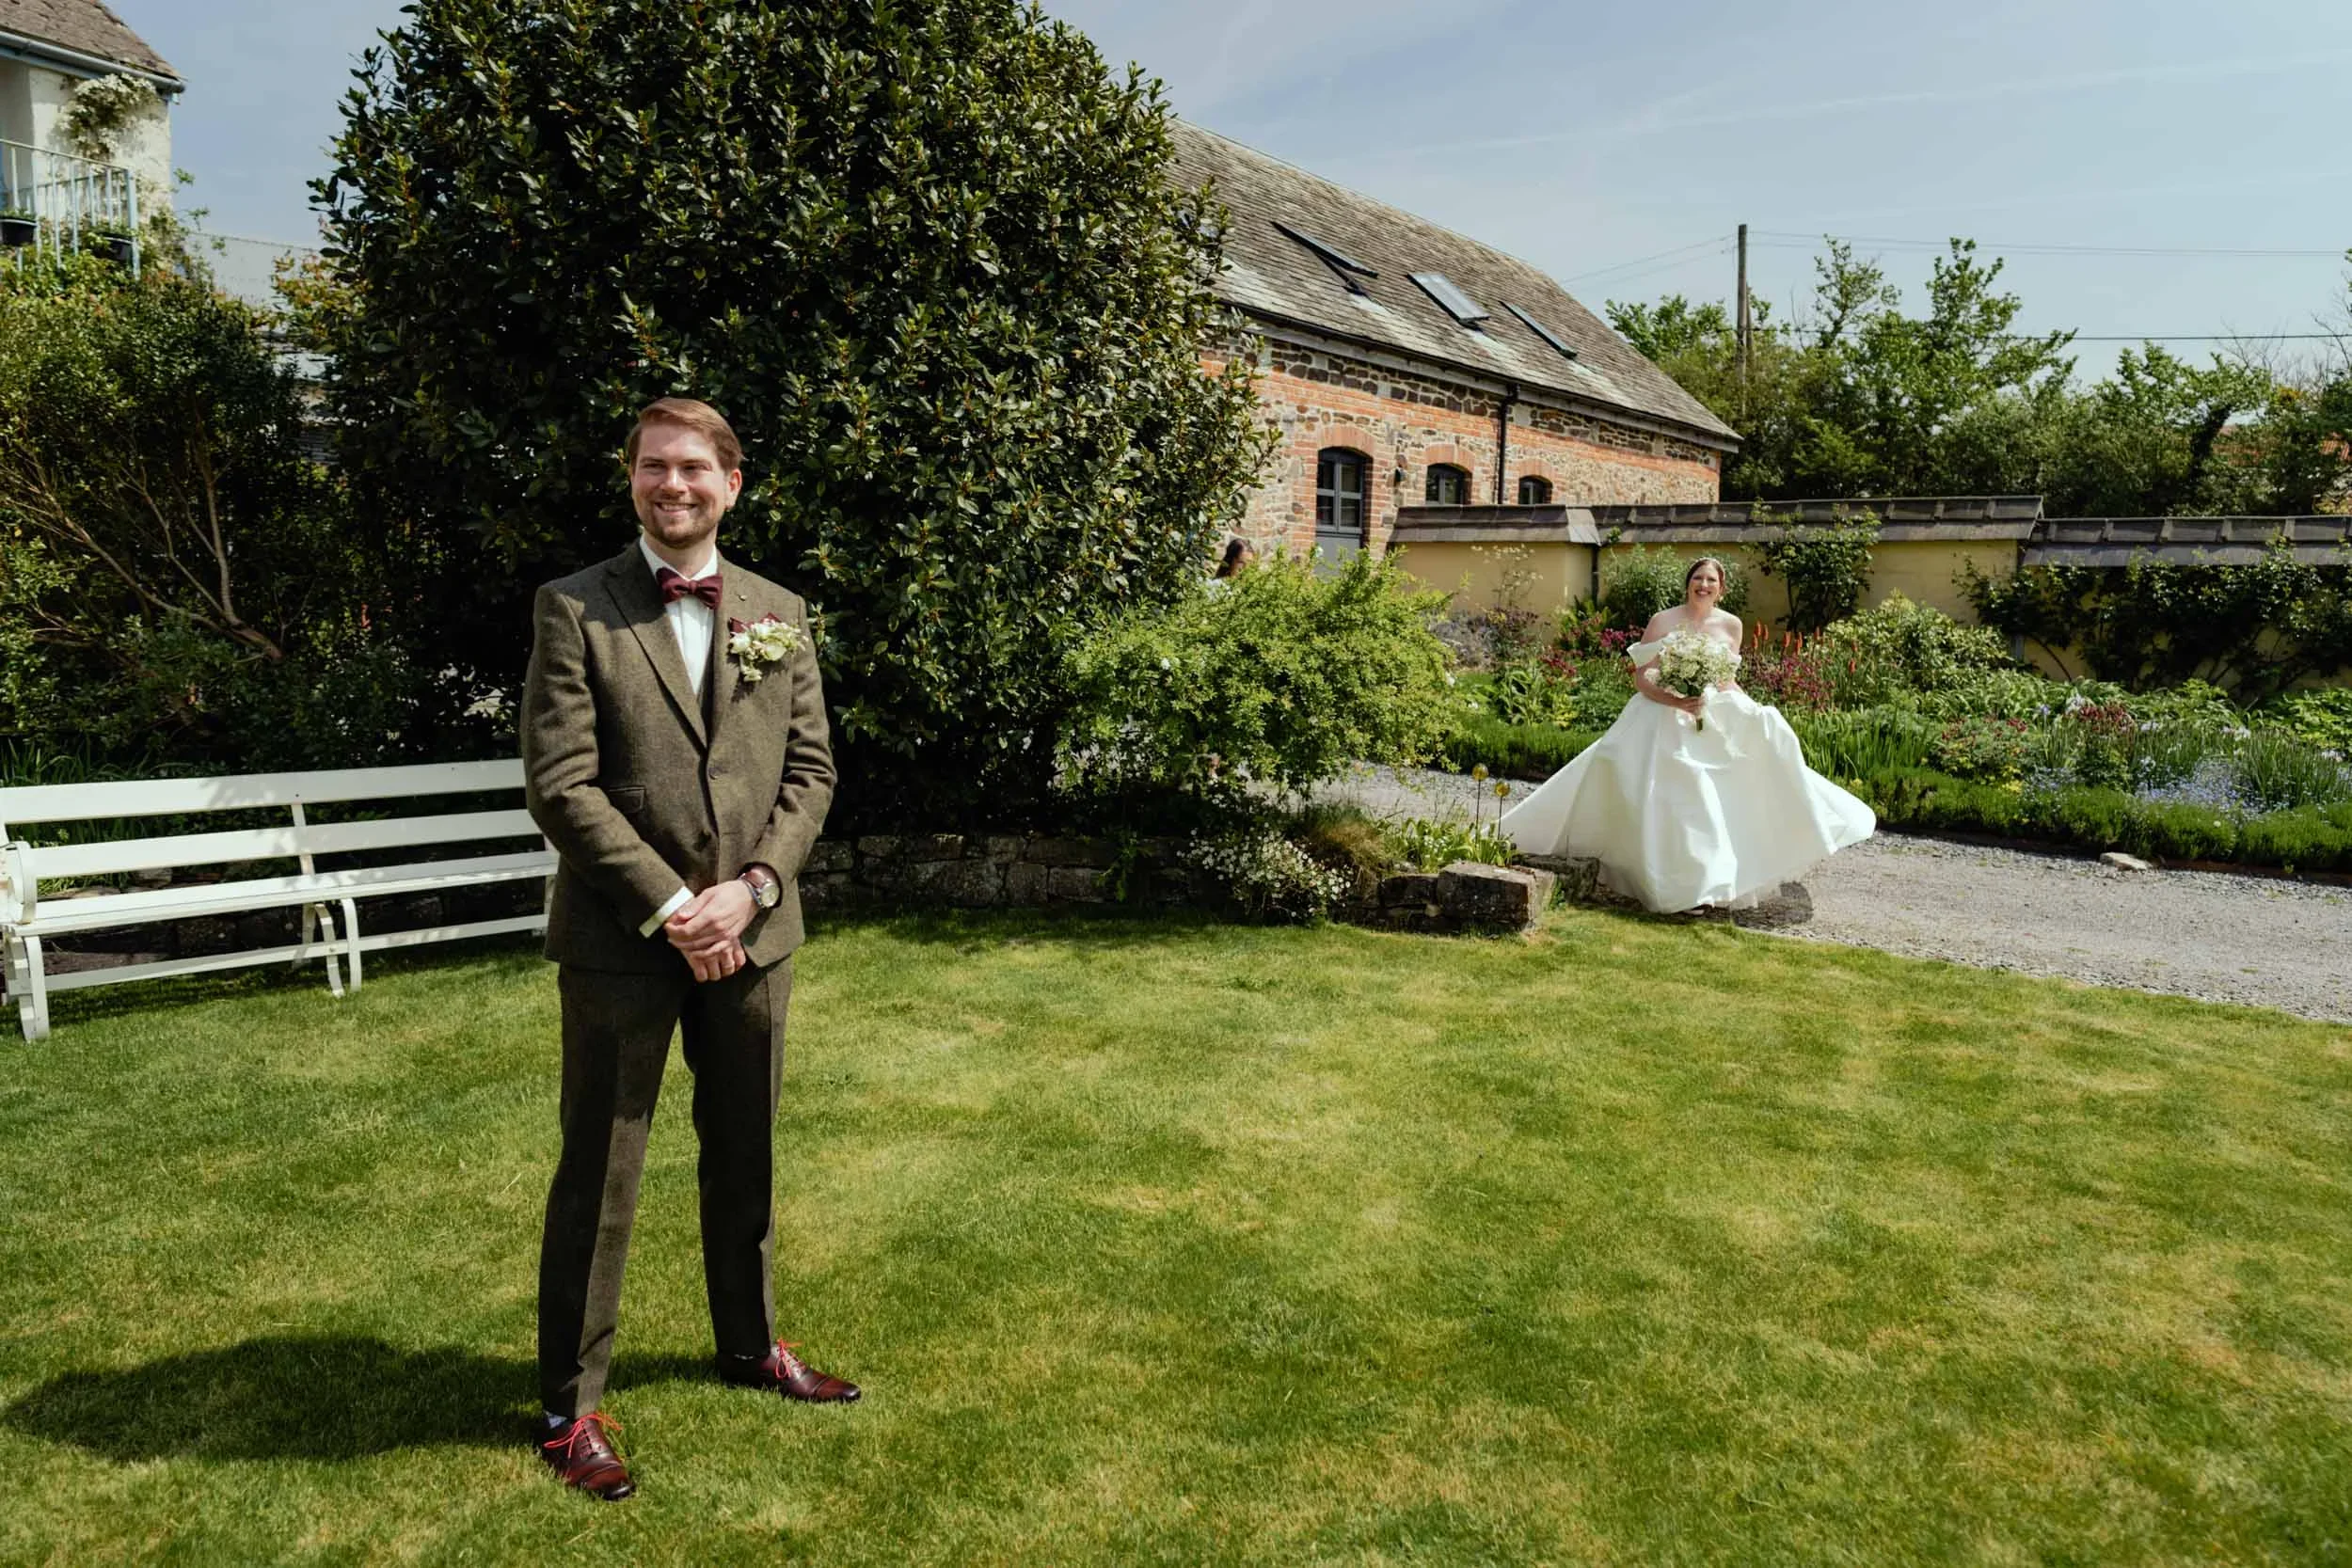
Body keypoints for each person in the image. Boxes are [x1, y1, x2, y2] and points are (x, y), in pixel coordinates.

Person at [521, 397, 858, 1504]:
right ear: (631, 479)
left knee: (745, 1148)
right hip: (625, 942)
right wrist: (675, 906)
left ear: (732, 481)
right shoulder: (574, 608)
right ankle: (571, 1407)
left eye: (693, 469)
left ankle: (750, 1343)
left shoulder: (780, 610)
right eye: (653, 467)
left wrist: (753, 890)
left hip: (756, 935)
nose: (673, 485)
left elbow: (809, 773)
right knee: (601, 1172)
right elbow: (561, 784)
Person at [1501, 556, 1873, 912]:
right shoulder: (1663, 621)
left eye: (1712, 580)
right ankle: (1670, 880)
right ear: (1688, 585)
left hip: (1711, 710)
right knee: (1671, 786)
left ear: (1721, 589)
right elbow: (1642, 676)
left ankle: (1710, 882)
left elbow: (1726, 680)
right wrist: (1674, 701)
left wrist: (1752, 708)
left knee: (1736, 777)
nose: (1704, 585)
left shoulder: (1731, 626)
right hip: (1662, 713)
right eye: (1698, 579)